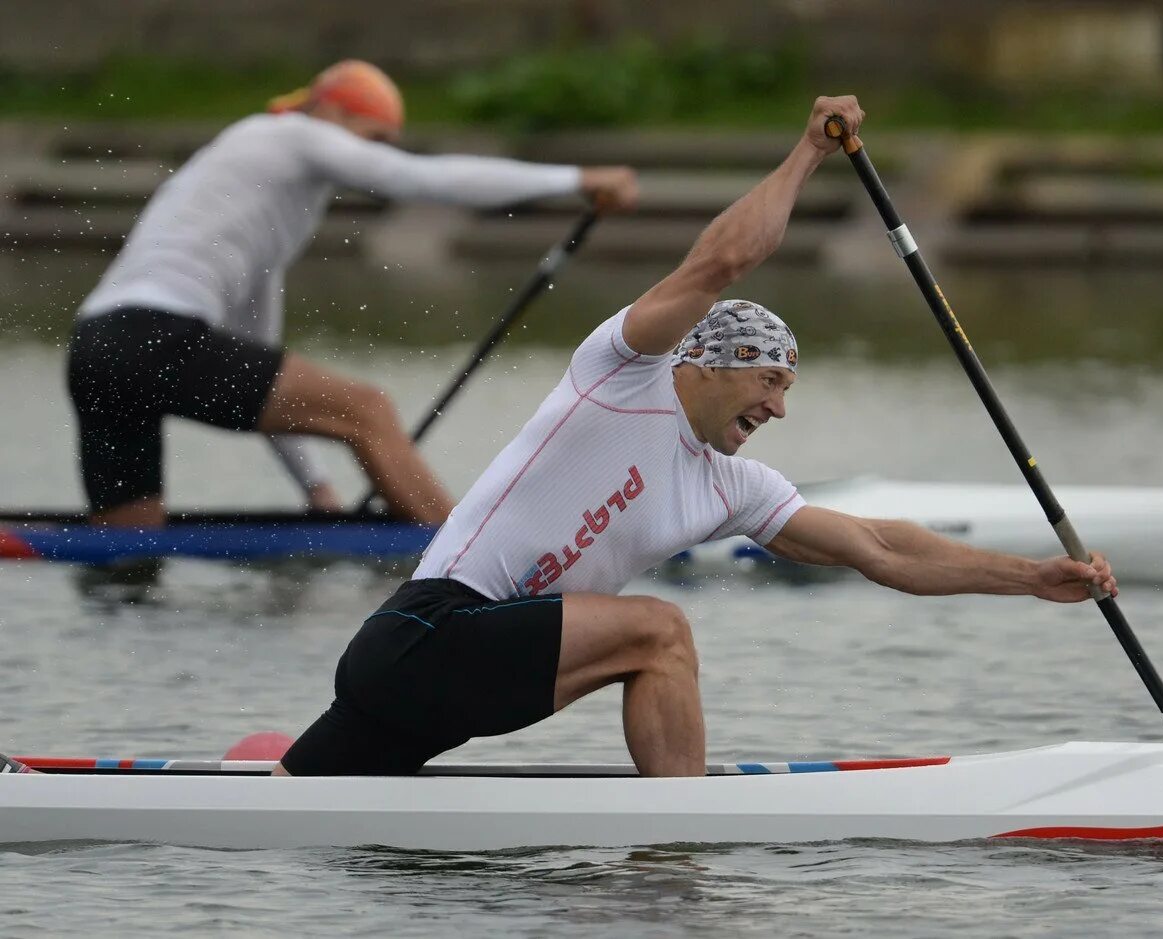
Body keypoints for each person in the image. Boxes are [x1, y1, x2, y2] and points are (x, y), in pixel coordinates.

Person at [277, 95, 1116, 779]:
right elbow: (718, 267)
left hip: (458, 676)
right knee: (661, 630)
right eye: (770, 381)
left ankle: (670, 827)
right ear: (709, 364)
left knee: (298, 799)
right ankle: (679, 839)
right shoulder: (622, 373)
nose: (780, 409)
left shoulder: (730, 486)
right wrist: (807, 155)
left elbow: (879, 548)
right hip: (423, 636)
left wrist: (1031, 577)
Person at [67, 60, 639, 526]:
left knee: (129, 549)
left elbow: (260, 349)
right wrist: (576, 180)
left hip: (96, 350)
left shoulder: (264, 196)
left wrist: (316, 488)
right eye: (375, 140)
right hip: (153, 338)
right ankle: (465, 562)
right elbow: (422, 180)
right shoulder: (291, 134)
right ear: (333, 111)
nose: (379, 154)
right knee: (368, 411)